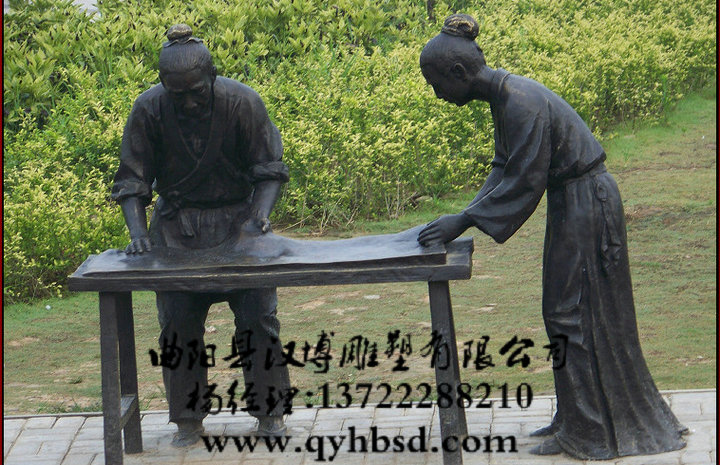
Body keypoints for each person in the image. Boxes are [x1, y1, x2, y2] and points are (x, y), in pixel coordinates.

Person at [417, 14, 687, 460]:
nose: (437, 94)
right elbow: (503, 167)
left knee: (570, 314)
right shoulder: (505, 97)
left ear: (459, 73)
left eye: (436, 84)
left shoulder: (519, 101)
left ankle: (592, 432)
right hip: (573, 202)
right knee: (566, 314)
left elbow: (525, 179)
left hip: (586, 202)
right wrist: (461, 215)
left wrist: (463, 222)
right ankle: (577, 420)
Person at [111, 24, 292, 447]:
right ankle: (188, 419)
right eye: (178, 95)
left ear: (212, 76)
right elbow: (132, 180)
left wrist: (259, 218)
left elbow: (269, 169)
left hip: (239, 227)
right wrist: (139, 234)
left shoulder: (243, 102)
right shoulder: (148, 109)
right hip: (176, 230)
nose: (189, 102)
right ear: (163, 85)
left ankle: (270, 413)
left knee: (259, 319)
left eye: (197, 91)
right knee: (177, 326)